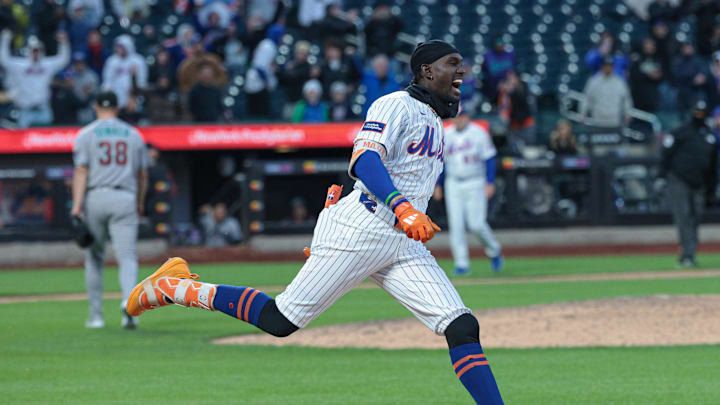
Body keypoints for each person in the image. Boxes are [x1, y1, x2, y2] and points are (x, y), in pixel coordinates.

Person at [126, 40, 504, 405]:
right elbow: (364, 162)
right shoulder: (396, 104)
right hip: (364, 229)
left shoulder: (436, 122)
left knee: (461, 326)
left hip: (401, 243)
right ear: (426, 70)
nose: (462, 70)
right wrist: (402, 208)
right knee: (280, 320)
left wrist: (400, 213)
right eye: (452, 63)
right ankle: (175, 287)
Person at [71, 91, 149, 329]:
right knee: (127, 256)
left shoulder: (85, 133)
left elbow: (81, 171)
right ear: (117, 108)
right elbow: (142, 174)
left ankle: (96, 316)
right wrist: (139, 200)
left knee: (94, 258)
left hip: (96, 196)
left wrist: (76, 207)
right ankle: (130, 306)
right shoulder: (134, 134)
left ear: (95, 107)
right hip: (124, 196)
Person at [434, 107, 503, 275]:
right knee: (456, 226)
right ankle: (462, 264)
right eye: (456, 117)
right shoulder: (445, 134)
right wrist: (438, 184)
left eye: (461, 116)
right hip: (453, 183)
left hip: (475, 181)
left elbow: (489, 159)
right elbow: (440, 163)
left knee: (477, 224)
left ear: (467, 117)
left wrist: (490, 182)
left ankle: (494, 250)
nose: (459, 119)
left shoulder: (478, 133)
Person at [660, 101, 719, 267]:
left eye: (702, 113)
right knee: (683, 215)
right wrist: (661, 176)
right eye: (697, 112)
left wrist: (712, 189)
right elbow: (666, 155)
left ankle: (689, 251)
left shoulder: (710, 137)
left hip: (699, 182)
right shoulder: (680, 132)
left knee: (696, 215)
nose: (699, 116)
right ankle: (687, 254)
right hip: (678, 178)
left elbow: (713, 166)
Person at [0, 29, 70, 128]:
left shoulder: (47, 65)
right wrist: (5, 40)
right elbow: (4, 60)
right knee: (24, 140)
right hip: (26, 111)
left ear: (41, 51)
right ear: (29, 51)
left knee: (45, 139)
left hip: (43, 110)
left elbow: (63, 59)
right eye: (34, 50)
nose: (36, 53)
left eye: (38, 50)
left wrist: (63, 43)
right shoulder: (21, 66)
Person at [580, 56, 633, 128]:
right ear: (601, 66)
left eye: (610, 66)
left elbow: (626, 99)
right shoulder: (593, 81)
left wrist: (628, 114)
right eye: (606, 66)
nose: (608, 68)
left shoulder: (619, 82)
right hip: (598, 120)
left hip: (614, 120)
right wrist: (583, 114)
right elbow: (586, 98)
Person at [101, 35, 148, 109]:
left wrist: (136, 93)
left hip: (133, 97)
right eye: (118, 47)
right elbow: (108, 80)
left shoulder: (138, 60)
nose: (119, 49)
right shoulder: (112, 61)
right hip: (116, 96)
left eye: (121, 47)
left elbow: (142, 80)